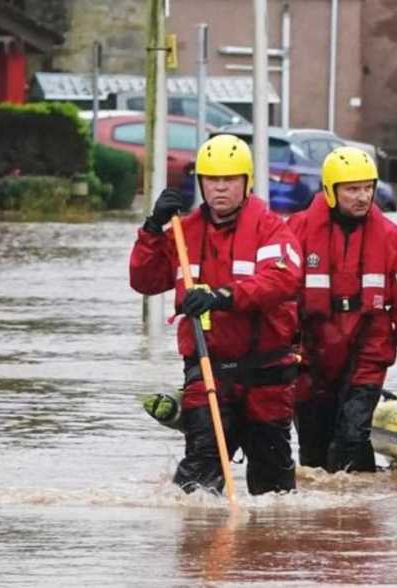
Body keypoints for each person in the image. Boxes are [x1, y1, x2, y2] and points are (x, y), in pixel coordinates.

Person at [130, 134, 304, 495]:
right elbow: (145, 280)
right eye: (212, 180)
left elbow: (282, 279)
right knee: (198, 478)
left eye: (229, 180)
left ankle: (267, 548)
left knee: (274, 488)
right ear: (201, 183)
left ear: (246, 182)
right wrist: (151, 228)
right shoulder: (184, 232)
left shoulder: (271, 228)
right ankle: (201, 545)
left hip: (266, 373)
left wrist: (224, 297)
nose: (220, 188)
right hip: (207, 370)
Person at [288, 146, 397, 473]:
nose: (362, 197)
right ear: (330, 191)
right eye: (352, 189)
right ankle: (347, 514)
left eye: (368, 188)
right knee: (313, 450)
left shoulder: (391, 237)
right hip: (311, 356)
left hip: (367, 350)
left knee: (351, 436)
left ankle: (360, 513)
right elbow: (280, 299)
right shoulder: (298, 230)